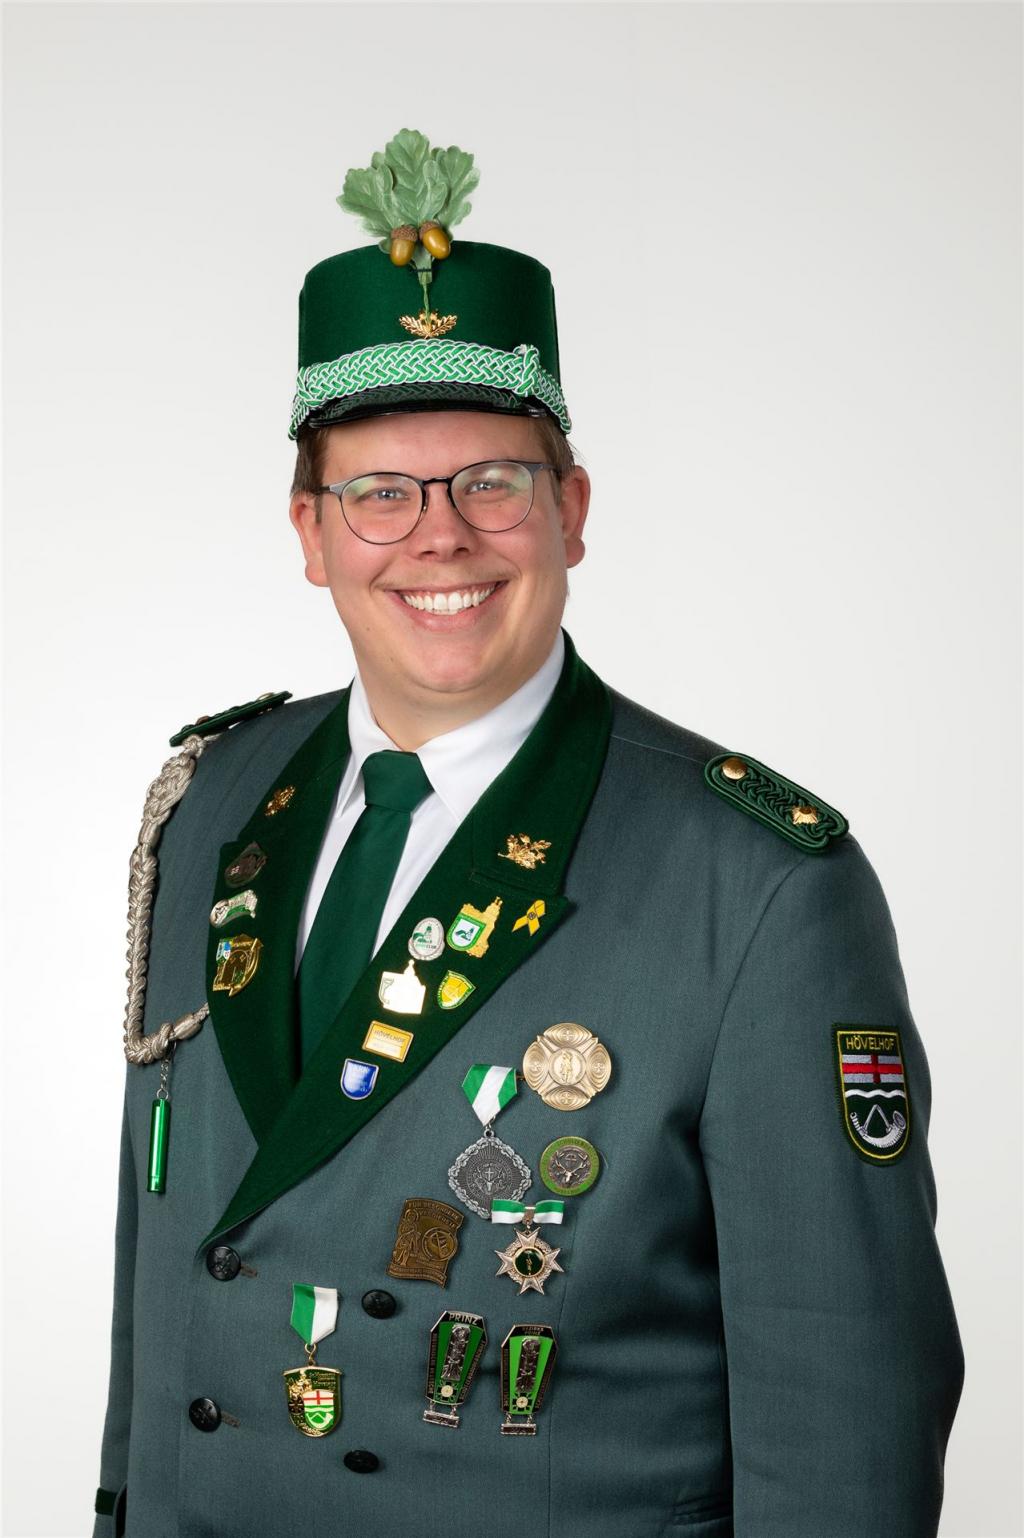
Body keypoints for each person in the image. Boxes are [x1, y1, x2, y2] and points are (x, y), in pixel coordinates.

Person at [91, 129, 964, 1538]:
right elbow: (169, 1283)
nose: (439, 537)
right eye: (379, 493)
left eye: (493, 480)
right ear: (311, 531)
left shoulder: (757, 883)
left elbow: (846, 1417)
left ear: (572, 508)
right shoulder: (214, 803)